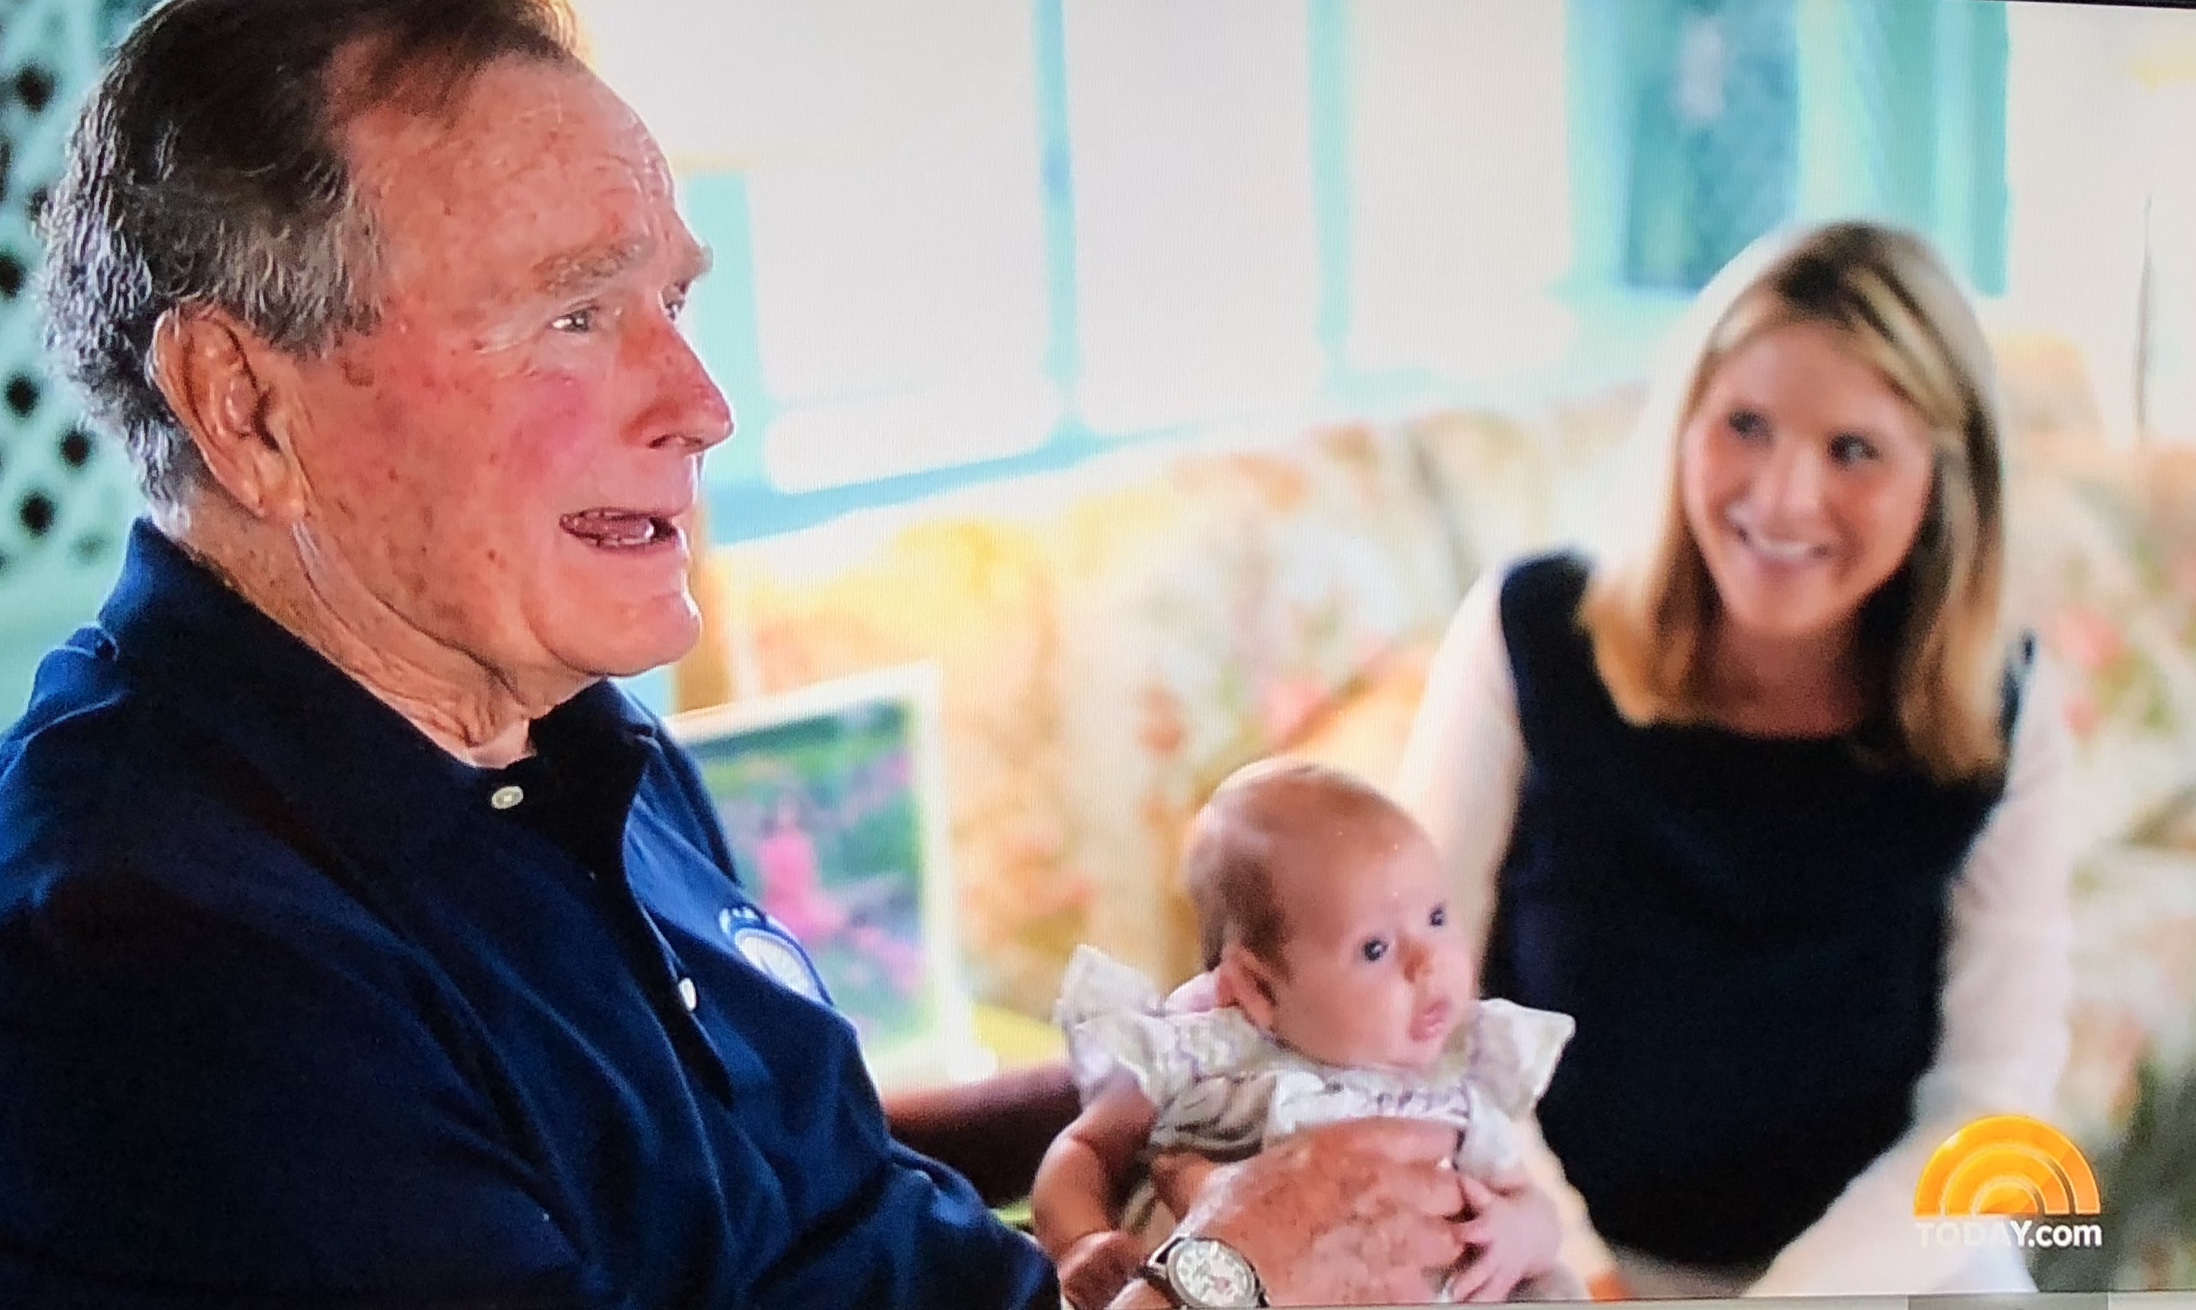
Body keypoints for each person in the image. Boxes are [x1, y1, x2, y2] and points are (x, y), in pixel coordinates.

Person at [0, 1, 1477, 1305]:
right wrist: (1228, 1277)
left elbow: (783, 1199)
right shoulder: (154, 958)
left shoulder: (575, 734)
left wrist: (1168, 1127)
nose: (702, 403)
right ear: (244, 404)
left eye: (673, 301)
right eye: (574, 313)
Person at [1392, 221, 2075, 1298]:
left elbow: (1992, 1092)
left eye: (1854, 450)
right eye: (1745, 425)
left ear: (1944, 479)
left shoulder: (2002, 705)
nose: (1783, 497)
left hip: (1866, 1257)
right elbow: (1414, 1017)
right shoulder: (1529, 635)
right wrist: (1581, 1274)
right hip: (1535, 1234)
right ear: (1682, 424)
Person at [1034, 761, 1580, 1310]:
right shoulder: (1203, 1060)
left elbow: (1531, 1206)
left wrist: (1516, 1236)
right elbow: (1085, 1150)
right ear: (1258, 988)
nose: (1427, 962)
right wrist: (1082, 1239)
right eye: (1375, 948)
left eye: (1436, 917)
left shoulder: (1453, 1082)